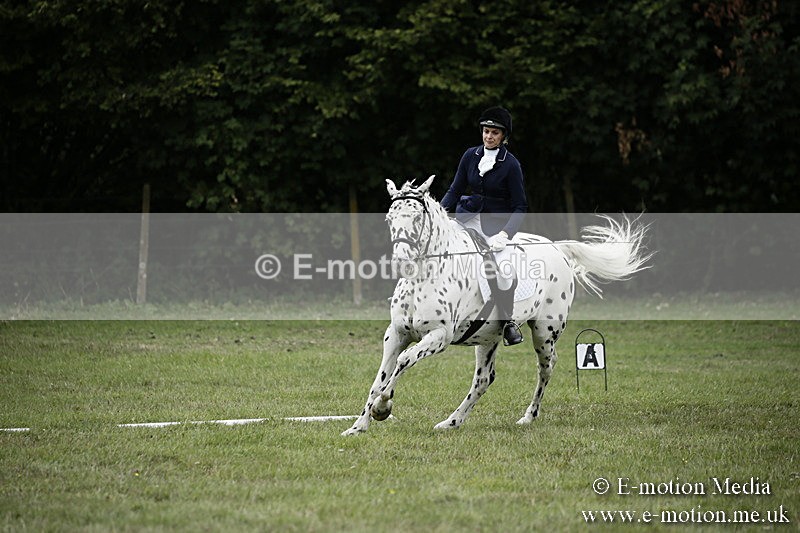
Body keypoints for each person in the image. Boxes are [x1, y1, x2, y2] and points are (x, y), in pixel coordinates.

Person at [440, 106, 528, 346]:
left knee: (503, 271)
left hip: (496, 228)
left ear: (503, 136)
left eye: (494, 133)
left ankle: (507, 321)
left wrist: (506, 234)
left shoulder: (511, 164)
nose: (489, 136)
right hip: (467, 219)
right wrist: (439, 213)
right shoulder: (470, 155)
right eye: (486, 131)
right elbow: (455, 190)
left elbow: (520, 206)